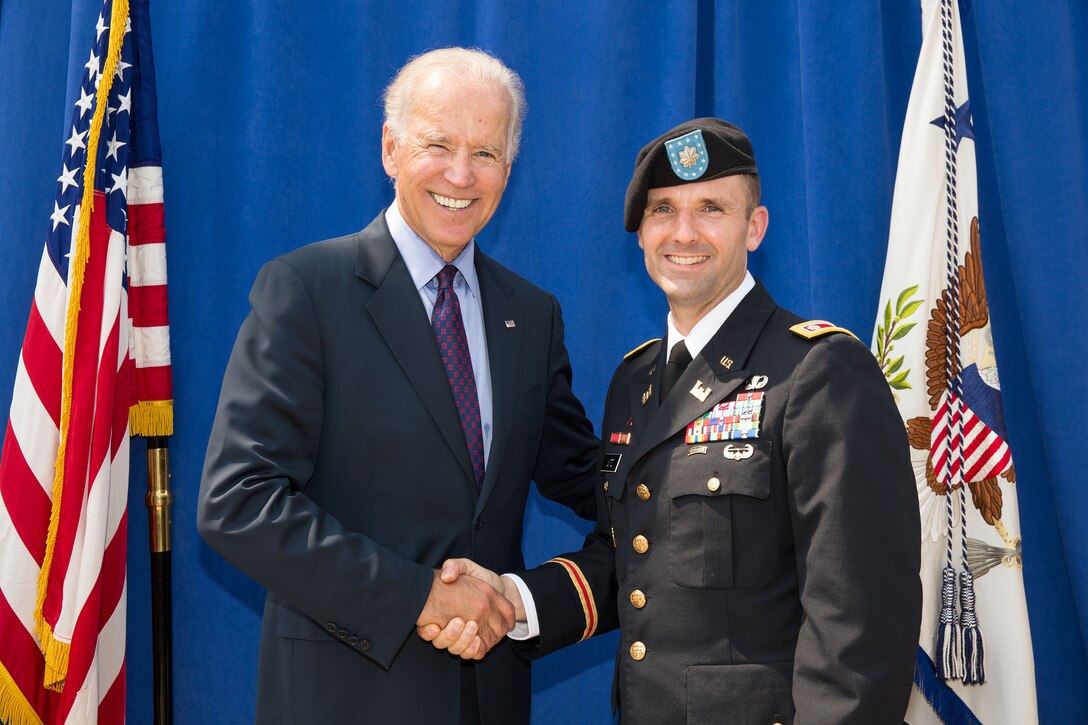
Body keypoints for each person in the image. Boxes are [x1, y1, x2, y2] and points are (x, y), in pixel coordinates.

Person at [424, 118, 922, 723]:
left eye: (711, 208)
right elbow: (631, 557)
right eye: (662, 210)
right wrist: (513, 599)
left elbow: (861, 621)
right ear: (639, 234)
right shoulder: (635, 382)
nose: (683, 233)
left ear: (754, 227)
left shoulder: (819, 372)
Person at [196, 47, 599, 725]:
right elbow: (236, 501)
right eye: (437, 143)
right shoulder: (307, 291)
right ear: (390, 148)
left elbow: (587, 476)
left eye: (486, 153)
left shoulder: (531, 315)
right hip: (343, 697)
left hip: (489, 700)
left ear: (509, 167)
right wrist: (419, 595)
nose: (460, 175)